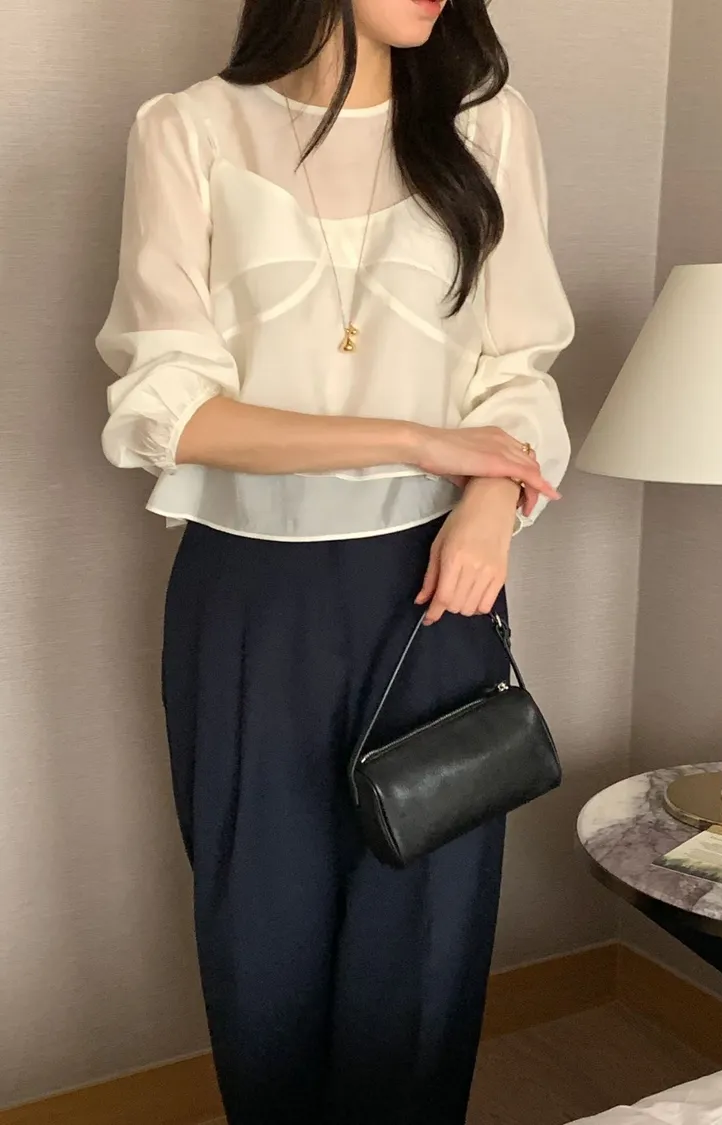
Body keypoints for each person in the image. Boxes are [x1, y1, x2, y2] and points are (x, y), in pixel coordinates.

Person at [96, 0, 574, 1121]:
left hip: (439, 583)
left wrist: (489, 502)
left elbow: (520, 366)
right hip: (249, 593)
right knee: (260, 930)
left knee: (425, 942)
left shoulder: (488, 125)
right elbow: (169, 407)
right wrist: (416, 439)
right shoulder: (187, 130)